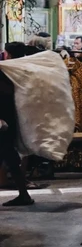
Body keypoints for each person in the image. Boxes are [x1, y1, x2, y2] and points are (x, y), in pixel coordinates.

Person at [0, 67, 33, 206]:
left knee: (10, 159)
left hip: (3, 125)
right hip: (9, 123)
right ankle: (24, 195)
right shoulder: (11, 74)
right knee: (12, 160)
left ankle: (24, 195)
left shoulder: (4, 74)